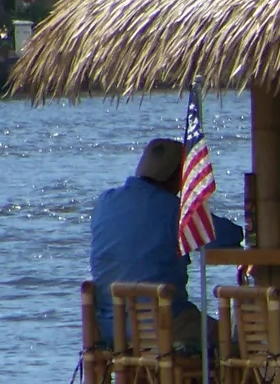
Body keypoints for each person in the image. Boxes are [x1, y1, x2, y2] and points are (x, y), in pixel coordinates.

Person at [90, 137, 244, 345]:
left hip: (110, 329)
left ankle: (151, 378)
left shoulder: (104, 202)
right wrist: (197, 204)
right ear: (179, 179)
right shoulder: (176, 212)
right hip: (163, 325)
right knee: (231, 341)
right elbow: (230, 235)